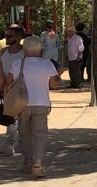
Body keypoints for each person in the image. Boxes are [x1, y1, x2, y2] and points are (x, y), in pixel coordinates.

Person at [3, 36, 60, 178]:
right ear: (40, 49)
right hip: (42, 102)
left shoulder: (17, 64)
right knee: (40, 134)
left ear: (25, 49)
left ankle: (28, 160)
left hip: (22, 103)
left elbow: (8, 83)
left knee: (24, 133)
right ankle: (38, 163)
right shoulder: (47, 64)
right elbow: (54, 85)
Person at [0, 23, 29, 156]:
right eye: (6, 34)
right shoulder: (3, 52)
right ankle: (12, 142)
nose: (7, 37)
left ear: (19, 36)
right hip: (5, 87)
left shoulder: (24, 52)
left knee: (21, 117)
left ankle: (15, 143)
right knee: (11, 115)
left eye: (10, 35)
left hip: (19, 87)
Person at [66, 23, 86, 89]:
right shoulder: (69, 39)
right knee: (71, 71)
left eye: (68, 31)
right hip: (70, 57)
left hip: (75, 57)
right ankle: (73, 83)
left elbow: (81, 47)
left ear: (72, 31)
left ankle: (78, 83)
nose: (67, 33)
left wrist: (79, 56)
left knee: (76, 71)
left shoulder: (77, 38)